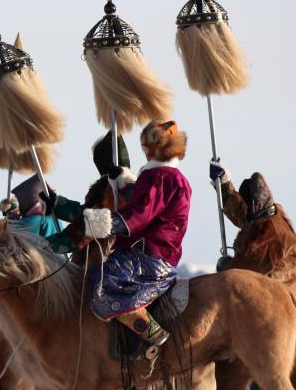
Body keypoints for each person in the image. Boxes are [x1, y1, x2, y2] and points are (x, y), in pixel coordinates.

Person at [47, 120, 190, 360]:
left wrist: (52, 246)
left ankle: (149, 331)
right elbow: (87, 212)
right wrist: (58, 204)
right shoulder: (152, 177)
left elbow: (139, 213)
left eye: (146, 146)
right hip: (145, 248)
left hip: (148, 251)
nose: (143, 151)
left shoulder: (157, 178)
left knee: (100, 283)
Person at [208, 162, 296, 287]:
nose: (245, 216)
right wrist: (223, 184)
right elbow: (239, 210)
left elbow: (251, 265)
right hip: (263, 290)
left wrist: (227, 267)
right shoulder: (260, 217)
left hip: (274, 296)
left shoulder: (272, 234)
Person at [0, 174, 60, 239]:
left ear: (28, 198)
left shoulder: (36, 219)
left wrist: (11, 223)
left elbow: (13, 235)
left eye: (20, 198)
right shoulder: (54, 216)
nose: (20, 203)